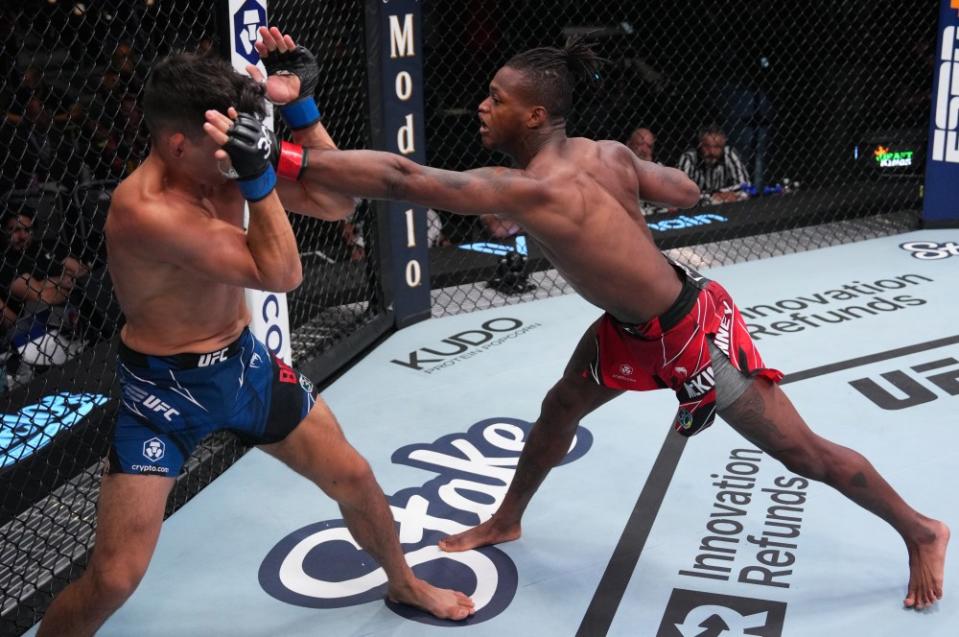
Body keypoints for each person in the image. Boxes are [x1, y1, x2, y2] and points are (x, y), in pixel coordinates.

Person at [209, 36, 949, 610]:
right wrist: (635, 194)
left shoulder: (538, 189)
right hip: (635, 325)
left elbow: (406, 180)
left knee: (804, 453)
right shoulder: (604, 153)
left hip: (687, 340)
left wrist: (280, 152)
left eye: (496, 99)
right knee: (561, 404)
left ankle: (920, 529)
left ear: (534, 115)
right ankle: (507, 516)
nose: (482, 107)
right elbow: (684, 186)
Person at [36, 35, 474, 637]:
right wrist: (258, 177)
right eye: (223, 139)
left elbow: (338, 202)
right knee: (115, 577)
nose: (232, 151)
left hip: (245, 364)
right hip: (165, 395)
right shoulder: (144, 210)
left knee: (356, 478)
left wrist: (301, 110)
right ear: (178, 142)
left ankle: (402, 580)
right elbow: (282, 274)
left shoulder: (219, 166)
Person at [677, 124, 751, 204]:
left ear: (723, 145)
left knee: (743, 195)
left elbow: (745, 185)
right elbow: (680, 190)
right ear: (700, 144)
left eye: (717, 147)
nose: (712, 152)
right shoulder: (689, 158)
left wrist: (723, 194)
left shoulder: (728, 153)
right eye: (707, 146)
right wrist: (713, 195)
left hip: (722, 199)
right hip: (696, 203)